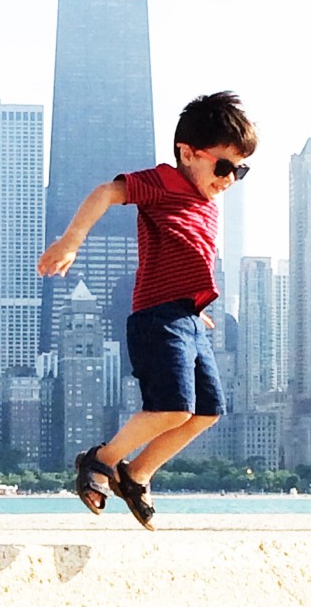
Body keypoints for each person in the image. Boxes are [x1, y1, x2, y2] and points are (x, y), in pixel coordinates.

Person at [37, 91, 257, 530]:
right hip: (158, 319)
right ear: (188, 153)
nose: (230, 179)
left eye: (241, 170)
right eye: (223, 166)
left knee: (208, 411)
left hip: (188, 318)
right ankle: (100, 460)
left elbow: (185, 255)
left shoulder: (206, 204)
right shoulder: (162, 182)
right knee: (172, 407)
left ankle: (137, 474)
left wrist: (196, 304)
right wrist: (71, 241)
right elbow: (107, 192)